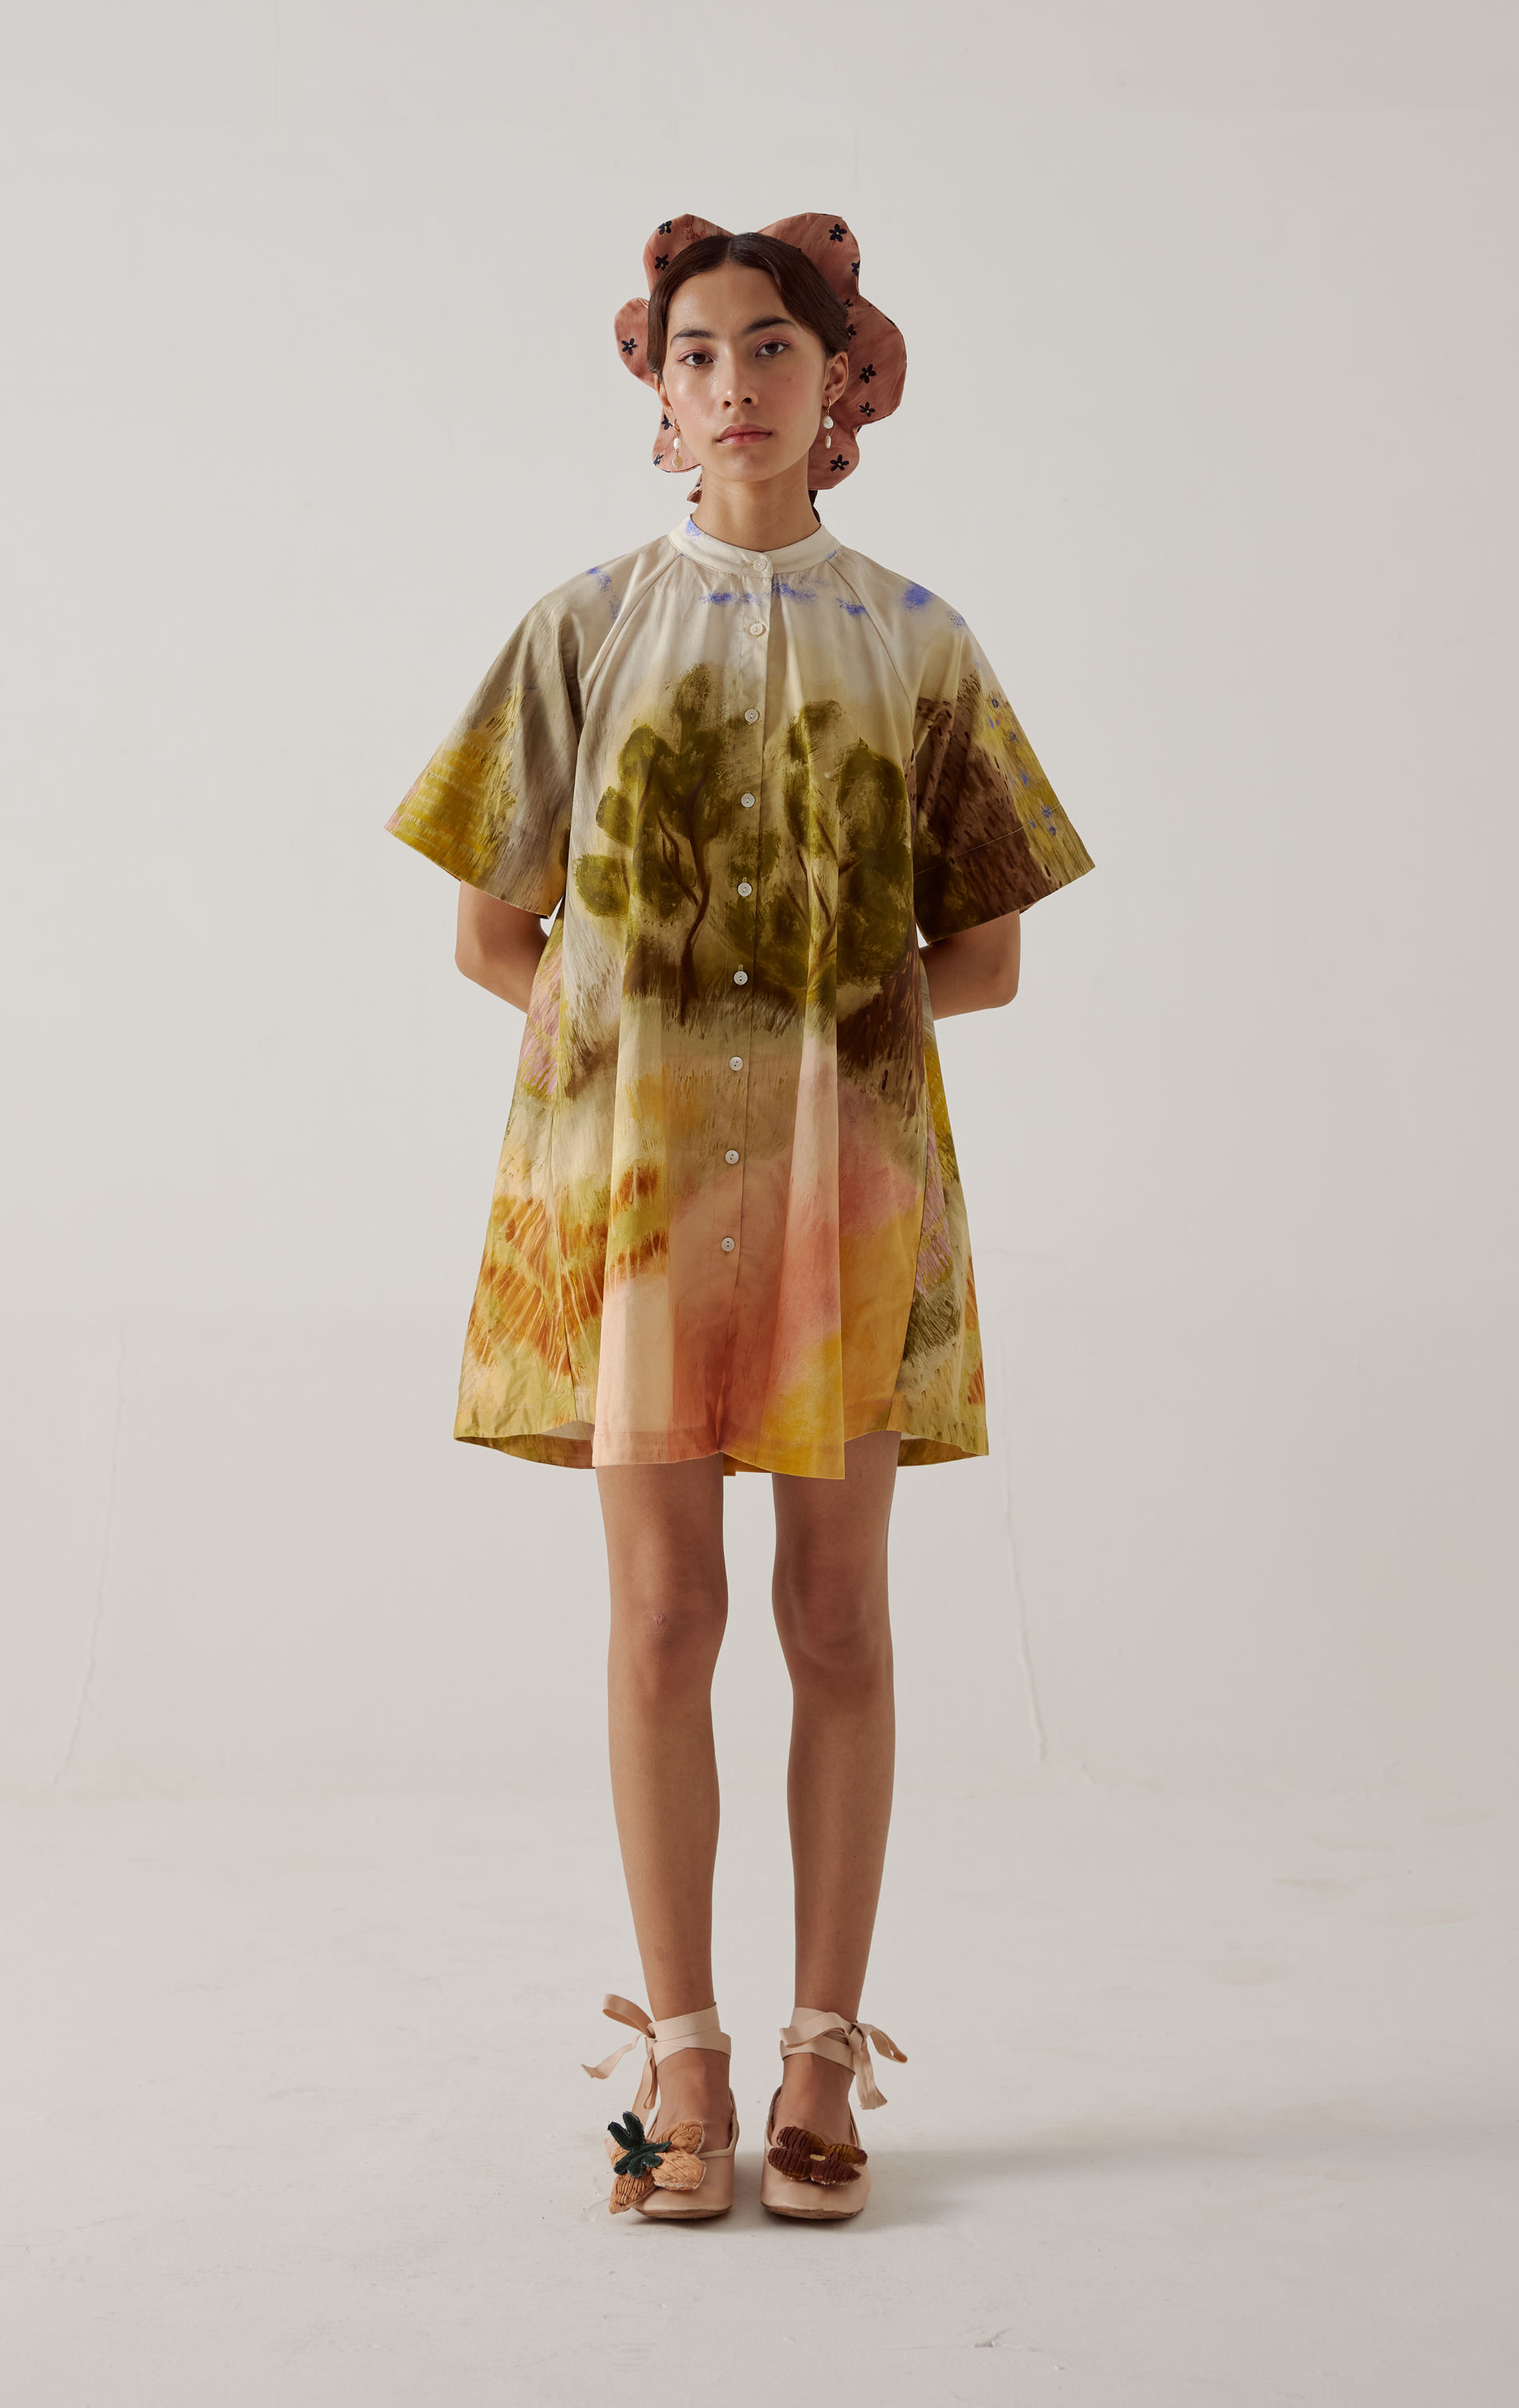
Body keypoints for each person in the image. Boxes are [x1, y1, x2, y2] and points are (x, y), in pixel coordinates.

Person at [387, 213, 1093, 2221]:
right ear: (658, 391)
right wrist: (646, 1055)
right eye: (695, 352)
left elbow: (986, 957)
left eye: (771, 346)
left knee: (836, 1613)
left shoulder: (918, 638)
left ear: (837, 377)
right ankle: (682, 2057)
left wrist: (810, 1047)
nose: (734, 383)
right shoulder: (581, 628)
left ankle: (821, 2055)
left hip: (841, 1192)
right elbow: (491, 934)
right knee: (663, 1614)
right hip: (626, 1197)